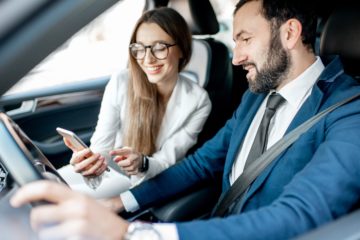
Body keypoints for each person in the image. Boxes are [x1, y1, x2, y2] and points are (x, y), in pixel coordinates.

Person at [10, 0, 360, 239]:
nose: (236, 58)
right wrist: (121, 204)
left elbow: (301, 214)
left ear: (290, 33)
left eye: (245, 40)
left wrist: (132, 233)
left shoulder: (348, 111)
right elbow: (199, 166)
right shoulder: (256, 97)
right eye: (234, 41)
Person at [58, 7, 212, 198]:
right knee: (45, 181)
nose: (147, 59)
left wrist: (142, 163)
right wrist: (89, 165)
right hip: (106, 171)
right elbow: (101, 146)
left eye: (159, 47)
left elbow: (167, 162)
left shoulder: (198, 101)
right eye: (139, 48)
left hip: (142, 181)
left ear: (182, 49)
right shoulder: (121, 82)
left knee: (57, 199)